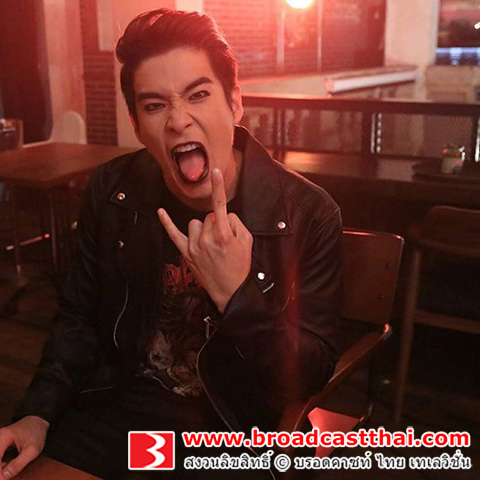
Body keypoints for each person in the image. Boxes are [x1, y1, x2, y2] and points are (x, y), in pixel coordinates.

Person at [0, 8, 342, 480]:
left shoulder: (308, 213)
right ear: (137, 125)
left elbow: (309, 373)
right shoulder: (112, 190)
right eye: (155, 105)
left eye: (198, 95)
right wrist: (37, 414)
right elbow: (78, 317)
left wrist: (238, 294)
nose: (179, 121)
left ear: (234, 103)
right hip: (119, 411)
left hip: (232, 428)